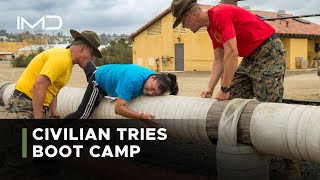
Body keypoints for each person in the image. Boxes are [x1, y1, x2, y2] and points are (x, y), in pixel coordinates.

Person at [171, 0, 300, 179]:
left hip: (268, 51)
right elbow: (219, 58)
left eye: (182, 22)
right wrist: (210, 87)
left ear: (189, 16)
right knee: (233, 103)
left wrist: (224, 87)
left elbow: (232, 52)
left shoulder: (220, 14)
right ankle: (244, 148)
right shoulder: (211, 27)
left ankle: (291, 166)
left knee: (270, 110)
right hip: (250, 57)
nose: (184, 26)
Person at [6, 29, 102, 119]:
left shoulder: (67, 62)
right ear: (82, 49)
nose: (91, 58)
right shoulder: (61, 58)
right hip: (25, 105)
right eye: (91, 54)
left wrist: (54, 114)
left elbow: (52, 89)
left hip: (36, 105)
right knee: (24, 137)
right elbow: (39, 86)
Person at [64, 62, 179, 126]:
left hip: (111, 73)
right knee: (83, 114)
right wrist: (141, 117)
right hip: (100, 81)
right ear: (153, 77)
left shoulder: (155, 79)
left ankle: (86, 60)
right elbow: (118, 109)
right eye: (152, 88)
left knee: (90, 74)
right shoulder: (133, 80)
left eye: (154, 93)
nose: (149, 92)